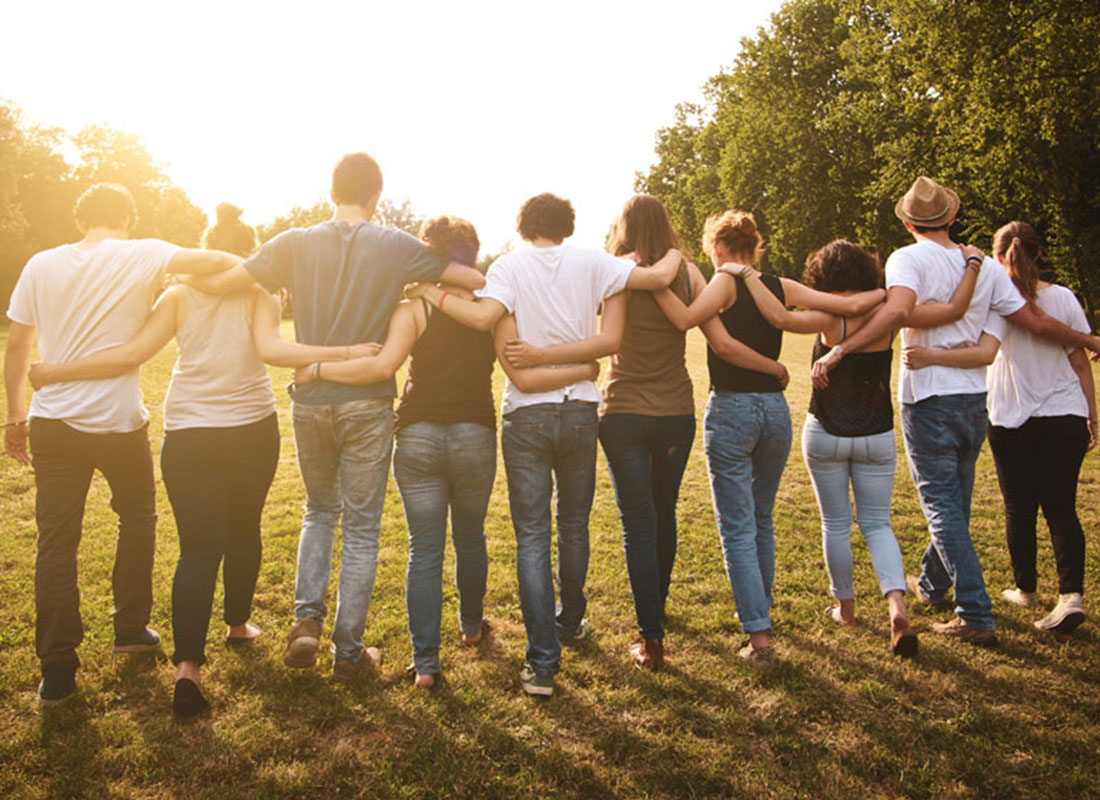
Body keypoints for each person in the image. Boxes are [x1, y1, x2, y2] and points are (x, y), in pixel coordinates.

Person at [28, 203, 371, 715]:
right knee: (244, 528)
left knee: (196, 549)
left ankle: (187, 667)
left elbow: (132, 354)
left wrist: (57, 371)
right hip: (250, 429)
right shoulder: (261, 291)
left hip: (188, 433)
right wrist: (346, 353)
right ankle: (237, 624)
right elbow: (271, 349)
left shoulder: (177, 294)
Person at [182, 153, 486, 684]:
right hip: (368, 399)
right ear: (376, 196)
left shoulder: (292, 242)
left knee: (319, 511)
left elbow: (224, 280)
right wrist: (423, 286)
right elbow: (474, 276)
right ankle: (348, 653)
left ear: (331, 192)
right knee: (363, 527)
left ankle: (306, 619)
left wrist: (167, 263)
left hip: (310, 397)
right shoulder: (396, 245)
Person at [294, 215, 600, 689]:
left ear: (430, 255)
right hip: (474, 433)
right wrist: (582, 367)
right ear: (472, 255)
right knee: (471, 537)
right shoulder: (492, 308)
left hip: (416, 434)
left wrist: (318, 369)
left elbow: (385, 365)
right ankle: (472, 627)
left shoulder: (414, 306)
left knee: (424, 550)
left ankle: (427, 664)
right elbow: (517, 361)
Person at [404, 192, 685, 696]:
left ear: (522, 227)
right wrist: (669, 254)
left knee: (533, 536)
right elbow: (651, 287)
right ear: (568, 227)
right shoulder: (597, 263)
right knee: (573, 525)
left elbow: (491, 329)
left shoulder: (508, 269)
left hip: (526, 415)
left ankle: (541, 664)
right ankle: (570, 622)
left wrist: (434, 293)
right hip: (580, 409)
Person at [812, 176, 1100, 646]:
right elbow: (1033, 319)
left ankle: (975, 612)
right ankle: (933, 583)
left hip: (927, 397)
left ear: (908, 222)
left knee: (942, 508)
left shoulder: (908, 258)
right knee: (956, 504)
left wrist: (840, 351)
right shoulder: (982, 267)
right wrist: (1087, 338)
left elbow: (898, 312)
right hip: (973, 402)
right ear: (950, 217)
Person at [4, 183, 246, 705]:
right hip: (117, 424)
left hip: (53, 424)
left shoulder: (40, 264)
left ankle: (58, 670)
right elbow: (228, 258)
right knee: (137, 517)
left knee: (56, 542)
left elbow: (19, 345)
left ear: (80, 219)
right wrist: (182, 272)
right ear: (128, 219)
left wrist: (14, 418)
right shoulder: (147, 252)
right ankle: (131, 629)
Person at [652, 212, 884, 666]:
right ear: (754, 247)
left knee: (737, 527)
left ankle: (758, 637)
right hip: (776, 413)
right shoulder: (778, 285)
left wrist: (656, 276)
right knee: (761, 518)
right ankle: (762, 613)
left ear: (717, 248)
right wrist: (885, 291)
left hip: (733, 409)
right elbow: (849, 307)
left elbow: (686, 321)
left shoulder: (723, 282)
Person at [729, 238, 981, 656]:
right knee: (878, 524)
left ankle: (845, 608)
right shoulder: (888, 311)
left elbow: (777, 316)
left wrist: (745, 273)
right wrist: (970, 266)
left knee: (836, 525)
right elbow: (951, 310)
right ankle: (897, 606)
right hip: (876, 432)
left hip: (825, 430)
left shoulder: (824, 312)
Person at [903, 221, 1097, 634]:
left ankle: (1025, 588)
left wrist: (931, 355)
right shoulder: (1061, 297)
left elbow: (985, 351)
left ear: (997, 254)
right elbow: (1077, 359)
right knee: (1062, 507)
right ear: (1039, 252)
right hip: (1065, 413)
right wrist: (1091, 413)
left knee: (1018, 507)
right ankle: (1070, 597)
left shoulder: (994, 296)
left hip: (1012, 417)